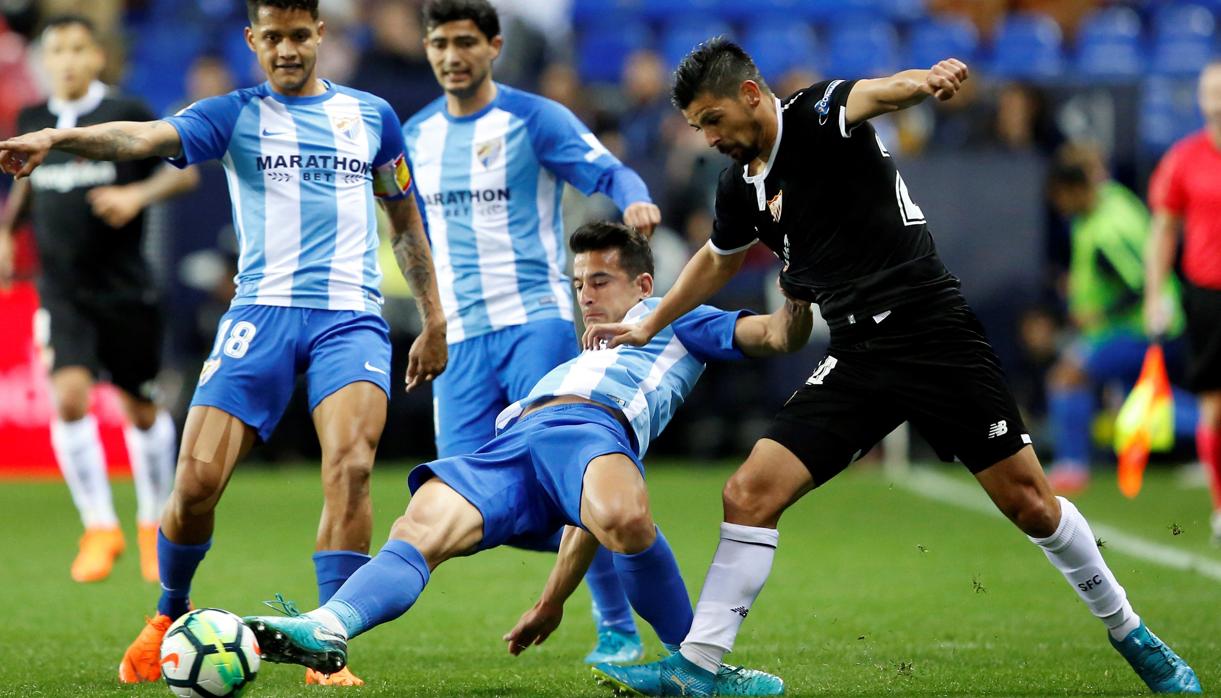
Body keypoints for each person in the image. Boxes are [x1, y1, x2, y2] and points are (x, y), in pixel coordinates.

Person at [586, 39, 1202, 696]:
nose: (709, 137)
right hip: (857, 354)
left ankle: (1132, 634)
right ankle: (699, 668)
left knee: (1028, 504)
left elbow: (876, 92)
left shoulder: (817, 113)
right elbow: (717, 257)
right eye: (696, 128)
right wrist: (651, 320)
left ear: (747, 94)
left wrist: (924, 81)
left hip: (932, 335)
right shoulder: (740, 184)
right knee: (747, 493)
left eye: (712, 120)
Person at [0, 0, 448, 688]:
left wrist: (434, 317)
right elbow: (140, 140)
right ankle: (166, 613)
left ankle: (327, 645)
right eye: (273, 37)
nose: (288, 49)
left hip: (348, 318)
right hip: (260, 316)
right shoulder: (231, 113)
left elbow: (404, 219)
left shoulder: (371, 116)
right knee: (196, 485)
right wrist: (58, 142)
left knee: (352, 466)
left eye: (300, 35)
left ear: (321, 35)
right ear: (253, 40)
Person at [240, 221, 805, 696]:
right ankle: (328, 624)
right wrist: (550, 601)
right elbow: (585, 514)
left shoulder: (675, 316)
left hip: (593, 425)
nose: (585, 295)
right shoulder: (581, 352)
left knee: (625, 518)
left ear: (644, 285)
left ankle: (697, 664)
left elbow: (779, 337)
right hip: (516, 437)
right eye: (579, 282)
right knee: (418, 527)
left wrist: (799, 282)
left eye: (601, 281)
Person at [404, 0, 661, 665]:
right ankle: (620, 531)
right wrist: (431, 322)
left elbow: (605, 168)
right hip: (462, 340)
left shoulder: (531, 118)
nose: (451, 55)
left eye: (465, 41)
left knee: (563, 473)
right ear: (427, 49)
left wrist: (631, 197)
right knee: (475, 505)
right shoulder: (416, 135)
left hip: (534, 325)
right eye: (439, 43)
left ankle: (617, 631)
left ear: (492, 46)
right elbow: (402, 228)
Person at [0, 14, 198, 585]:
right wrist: (9, 234)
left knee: (140, 411)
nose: (64, 59)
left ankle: (149, 523)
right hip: (62, 290)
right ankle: (98, 526)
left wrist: (137, 193)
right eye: (54, 49)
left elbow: (182, 176)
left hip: (126, 287)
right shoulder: (32, 119)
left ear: (96, 57)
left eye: (76, 48)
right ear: (43, 59)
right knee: (68, 398)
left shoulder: (126, 108)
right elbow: (28, 185)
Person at [1044, 145, 1189, 494]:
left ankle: (1072, 466)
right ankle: (1210, 423)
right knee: (1144, 407)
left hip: (1144, 329)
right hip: (1138, 327)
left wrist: (1097, 313)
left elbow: (1139, 286)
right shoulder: (1108, 199)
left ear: (1076, 190)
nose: (1060, 206)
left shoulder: (1111, 230)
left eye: (1062, 197)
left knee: (1067, 377)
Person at [1147, 60, 1221, 546]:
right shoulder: (1185, 157)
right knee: (1215, 403)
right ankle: (1220, 505)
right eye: (1209, 88)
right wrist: (1156, 293)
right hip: (1207, 294)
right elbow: (1164, 228)